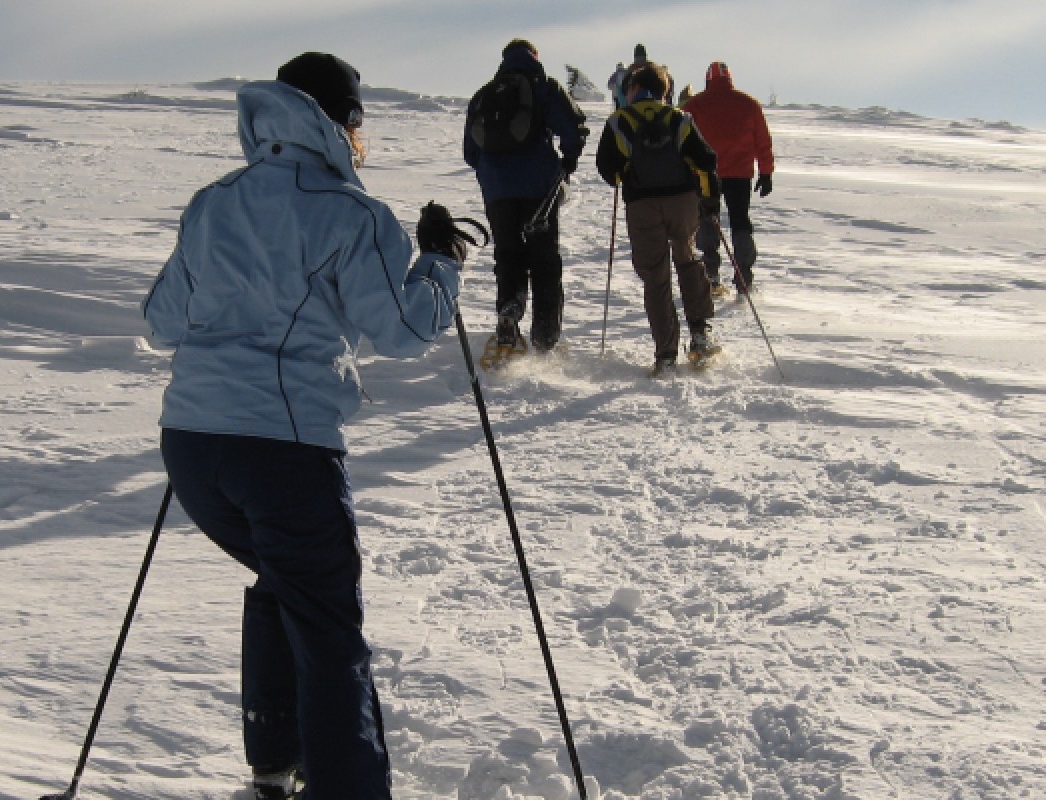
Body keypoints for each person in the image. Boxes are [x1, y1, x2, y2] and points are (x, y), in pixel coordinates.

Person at [141, 52, 468, 800]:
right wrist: (441, 263)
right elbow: (404, 331)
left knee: (286, 583)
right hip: (283, 452)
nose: (363, 141)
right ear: (342, 124)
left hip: (192, 447)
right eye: (360, 125)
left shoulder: (213, 202)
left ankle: (274, 763)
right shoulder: (353, 214)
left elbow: (161, 322)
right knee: (325, 622)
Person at [595, 62, 722, 375]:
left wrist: (623, 174)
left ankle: (666, 353)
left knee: (655, 275)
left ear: (636, 88)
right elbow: (706, 160)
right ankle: (700, 334)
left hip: (642, 205)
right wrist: (709, 202)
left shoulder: (619, 121)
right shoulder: (679, 118)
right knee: (688, 260)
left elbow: (607, 169)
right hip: (682, 202)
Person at [464, 38, 588, 353]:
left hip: (497, 190)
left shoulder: (483, 95)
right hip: (539, 187)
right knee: (544, 258)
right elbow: (573, 127)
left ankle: (509, 311)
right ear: (534, 56)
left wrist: (492, 175)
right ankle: (545, 337)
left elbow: (470, 151)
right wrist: (568, 161)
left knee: (508, 254)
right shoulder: (543, 86)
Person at [683, 61, 775, 293]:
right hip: (739, 174)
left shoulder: (695, 105)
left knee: (707, 219)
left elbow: (683, 140)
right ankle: (744, 275)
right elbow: (763, 141)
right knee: (740, 221)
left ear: (708, 79)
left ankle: (710, 272)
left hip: (705, 174)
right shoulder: (749, 104)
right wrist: (766, 172)